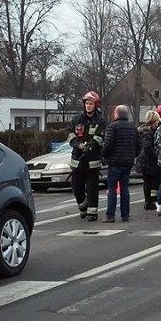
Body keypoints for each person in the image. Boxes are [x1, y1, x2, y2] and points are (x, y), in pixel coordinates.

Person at [67, 91, 107, 221]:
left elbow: (99, 137)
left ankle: (92, 212)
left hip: (92, 160)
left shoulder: (100, 121)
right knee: (76, 186)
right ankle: (82, 204)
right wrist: (78, 145)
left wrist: (89, 146)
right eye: (87, 103)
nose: (88, 106)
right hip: (77, 159)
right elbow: (70, 134)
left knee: (92, 188)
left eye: (91, 103)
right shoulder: (76, 120)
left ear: (96, 105)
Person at [100, 104, 139, 223]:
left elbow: (108, 145)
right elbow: (138, 145)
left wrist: (104, 155)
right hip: (127, 162)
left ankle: (110, 215)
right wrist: (132, 155)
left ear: (117, 114)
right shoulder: (133, 128)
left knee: (112, 189)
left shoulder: (113, 127)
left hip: (114, 162)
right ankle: (125, 214)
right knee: (125, 188)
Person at [136, 110, 161, 210]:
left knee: (150, 182)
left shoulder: (145, 131)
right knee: (151, 182)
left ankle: (150, 201)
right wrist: (157, 155)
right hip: (148, 162)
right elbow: (147, 147)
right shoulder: (148, 132)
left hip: (146, 161)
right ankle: (150, 201)